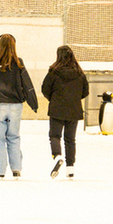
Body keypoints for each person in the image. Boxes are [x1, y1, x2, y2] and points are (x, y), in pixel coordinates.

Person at [0, 34, 38, 179]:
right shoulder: (18, 64)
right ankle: (16, 169)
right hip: (16, 106)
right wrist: (33, 103)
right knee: (14, 137)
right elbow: (27, 84)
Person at [41, 45, 89, 180]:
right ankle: (70, 169)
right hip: (74, 110)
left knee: (55, 136)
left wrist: (54, 99)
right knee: (70, 139)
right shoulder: (79, 73)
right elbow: (85, 91)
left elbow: (45, 89)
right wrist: (73, 99)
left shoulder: (53, 72)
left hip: (57, 108)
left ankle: (57, 156)